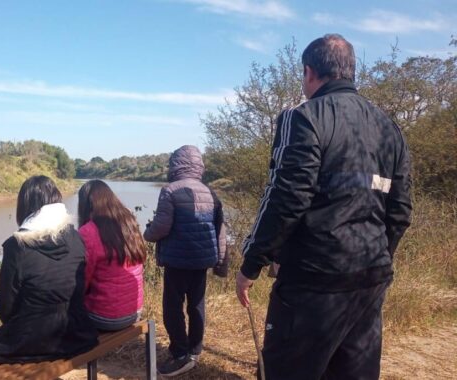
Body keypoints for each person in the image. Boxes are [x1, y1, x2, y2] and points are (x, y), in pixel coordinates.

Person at [236, 34, 412, 380]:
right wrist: (377, 255)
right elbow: (401, 210)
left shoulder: (303, 117)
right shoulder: (391, 129)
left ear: (309, 72)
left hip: (312, 283)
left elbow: (285, 197)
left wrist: (251, 263)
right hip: (370, 279)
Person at [0, 175, 98, 363]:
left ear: (25, 205)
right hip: (76, 334)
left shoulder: (16, 246)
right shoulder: (75, 238)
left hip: (29, 341)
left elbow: (5, 307)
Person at [143, 145, 228, 377]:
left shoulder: (170, 190)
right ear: (198, 165)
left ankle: (180, 353)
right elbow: (221, 230)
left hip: (177, 261)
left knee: (172, 306)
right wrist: (221, 261)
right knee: (197, 305)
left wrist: (147, 233)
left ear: (176, 165)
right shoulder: (210, 192)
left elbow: (161, 227)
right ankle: (195, 349)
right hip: (202, 261)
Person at [77, 180, 146, 331]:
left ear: (86, 204)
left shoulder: (88, 231)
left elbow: (83, 280)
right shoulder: (129, 222)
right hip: (135, 310)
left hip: (104, 318)